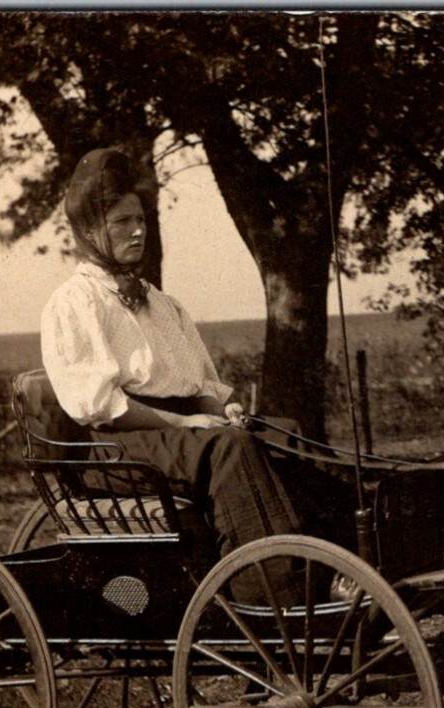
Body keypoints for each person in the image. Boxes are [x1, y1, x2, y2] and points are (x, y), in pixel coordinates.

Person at [41, 147, 321, 596]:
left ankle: (330, 570)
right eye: (122, 223)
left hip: (174, 432)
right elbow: (102, 407)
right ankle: (272, 593)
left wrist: (220, 408)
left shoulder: (162, 304)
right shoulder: (75, 303)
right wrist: (187, 421)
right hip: (116, 442)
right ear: (91, 231)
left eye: (141, 220)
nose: (138, 231)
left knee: (282, 434)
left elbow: (198, 384)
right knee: (229, 450)